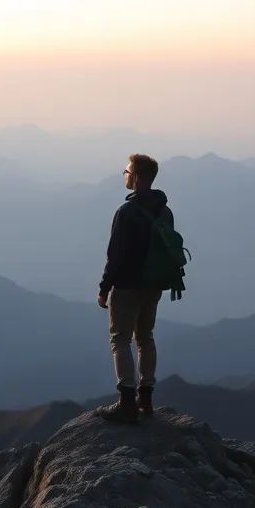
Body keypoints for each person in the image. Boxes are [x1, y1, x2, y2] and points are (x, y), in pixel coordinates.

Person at [97, 153, 174, 424]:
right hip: (154, 286)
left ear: (137, 177)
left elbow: (114, 255)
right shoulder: (164, 211)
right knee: (145, 338)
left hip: (127, 286)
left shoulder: (127, 212)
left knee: (119, 339)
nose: (126, 176)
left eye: (128, 172)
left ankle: (127, 401)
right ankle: (147, 397)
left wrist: (104, 287)